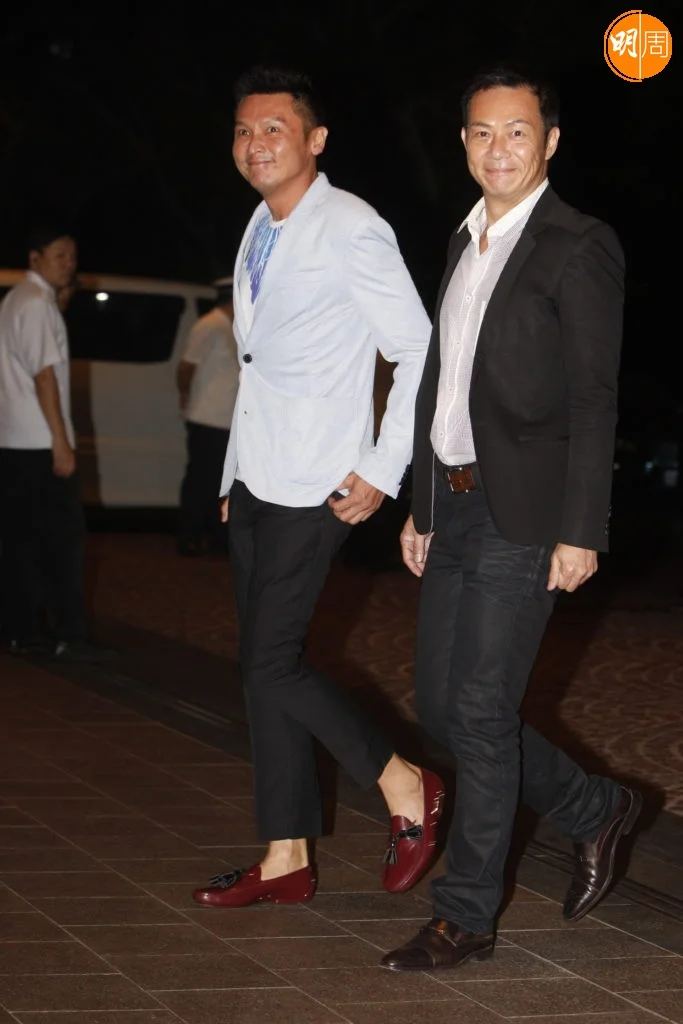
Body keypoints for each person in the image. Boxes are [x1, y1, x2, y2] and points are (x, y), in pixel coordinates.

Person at [382, 68, 639, 972]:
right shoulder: (462, 240)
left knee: (482, 710)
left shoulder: (578, 244)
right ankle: (593, 808)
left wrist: (582, 528)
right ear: (463, 143)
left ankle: (465, 916)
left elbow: (593, 396)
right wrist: (420, 505)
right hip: (450, 504)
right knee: (443, 709)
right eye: (482, 132)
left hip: (522, 511)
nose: (499, 148)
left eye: (517, 132)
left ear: (550, 141)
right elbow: (440, 385)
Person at [192, 66, 441, 909]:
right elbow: (256, 364)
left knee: (270, 661)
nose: (255, 144)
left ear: (315, 139)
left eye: (273, 128)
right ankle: (285, 856)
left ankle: (403, 782)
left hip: (319, 480)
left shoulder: (351, 226)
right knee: (263, 667)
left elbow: (418, 348)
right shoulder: (260, 225)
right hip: (257, 476)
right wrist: (232, 472)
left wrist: (381, 467)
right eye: (243, 130)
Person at [0, 227, 108, 662]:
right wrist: (60, 441)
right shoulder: (36, 303)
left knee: (22, 541)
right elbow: (44, 375)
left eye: (72, 256)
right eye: (60, 255)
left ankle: (22, 630)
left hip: (14, 441)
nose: (69, 264)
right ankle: (70, 636)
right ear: (35, 258)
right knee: (63, 543)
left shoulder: (16, 299)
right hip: (39, 442)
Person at [176, 280, 238, 556]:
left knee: (219, 483)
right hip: (207, 418)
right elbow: (186, 367)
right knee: (201, 482)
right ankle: (188, 537)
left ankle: (214, 538)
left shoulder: (233, 327)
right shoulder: (209, 325)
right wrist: (185, 394)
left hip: (226, 421)